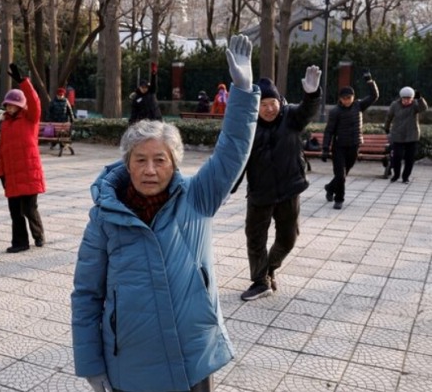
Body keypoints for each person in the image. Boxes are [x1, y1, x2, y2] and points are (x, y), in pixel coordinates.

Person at [71, 34, 259, 392]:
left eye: (160, 160)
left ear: (174, 164)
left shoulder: (198, 197)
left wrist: (243, 92)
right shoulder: (104, 217)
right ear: (127, 164)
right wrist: (90, 364)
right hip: (132, 363)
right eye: (140, 160)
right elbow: (86, 295)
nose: (150, 170)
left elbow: (232, 151)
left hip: (194, 355)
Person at [231, 70, 321, 301]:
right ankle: (260, 281)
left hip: (289, 190)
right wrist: (227, 187)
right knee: (255, 238)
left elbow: (307, 111)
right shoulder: (249, 127)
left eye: (272, 103)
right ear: (256, 107)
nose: (269, 109)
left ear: (279, 102)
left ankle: (269, 268)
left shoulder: (291, 117)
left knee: (288, 238)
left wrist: (311, 95)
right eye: (263, 104)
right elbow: (239, 160)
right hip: (260, 193)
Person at [0, 63, 46, 254]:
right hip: (11, 175)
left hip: (28, 173)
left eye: (12, 105)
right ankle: (20, 242)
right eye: (7, 105)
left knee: (29, 210)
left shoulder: (30, 119)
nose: (9, 108)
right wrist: (1, 173)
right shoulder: (5, 125)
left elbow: (35, 101)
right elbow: (2, 151)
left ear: (19, 106)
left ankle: (38, 235)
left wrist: (23, 81)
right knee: (15, 212)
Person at [322, 71, 379, 209]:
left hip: (354, 145)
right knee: (340, 175)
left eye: (349, 97)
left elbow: (374, 96)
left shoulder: (359, 106)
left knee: (344, 174)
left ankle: (330, 188)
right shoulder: (335, 111)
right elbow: (329, 130)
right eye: (344, 98)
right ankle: (339, 199)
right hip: (339, 147)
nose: (347, 100)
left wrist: (370, 82)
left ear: (353, 97)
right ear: (340, 99)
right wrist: (325, 149)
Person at [384, 86, 428, 183]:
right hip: (398, 134)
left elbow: (424, 108)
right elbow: (389, 117)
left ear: (412, 98)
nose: (407, 100)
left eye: (409, 98)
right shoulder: (395, 105)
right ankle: (396, 175)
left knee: (409, 158)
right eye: (405, 98)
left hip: (412, 135)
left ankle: (405, 177)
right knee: (397, 156)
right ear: (401, 98)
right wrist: (386, 128)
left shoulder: (415, 105)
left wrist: (420, 99)